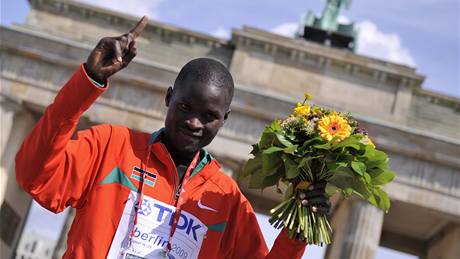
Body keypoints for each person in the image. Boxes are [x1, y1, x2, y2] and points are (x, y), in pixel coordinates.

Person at [15, 16, 331, 259]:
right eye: (184, 107)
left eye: (209, 116)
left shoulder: (226, 197)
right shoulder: (112, 146)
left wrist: (300, 226)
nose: (193, 122)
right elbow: (35, 176)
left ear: (224, 120)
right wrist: (87, 82)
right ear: (169, 98)